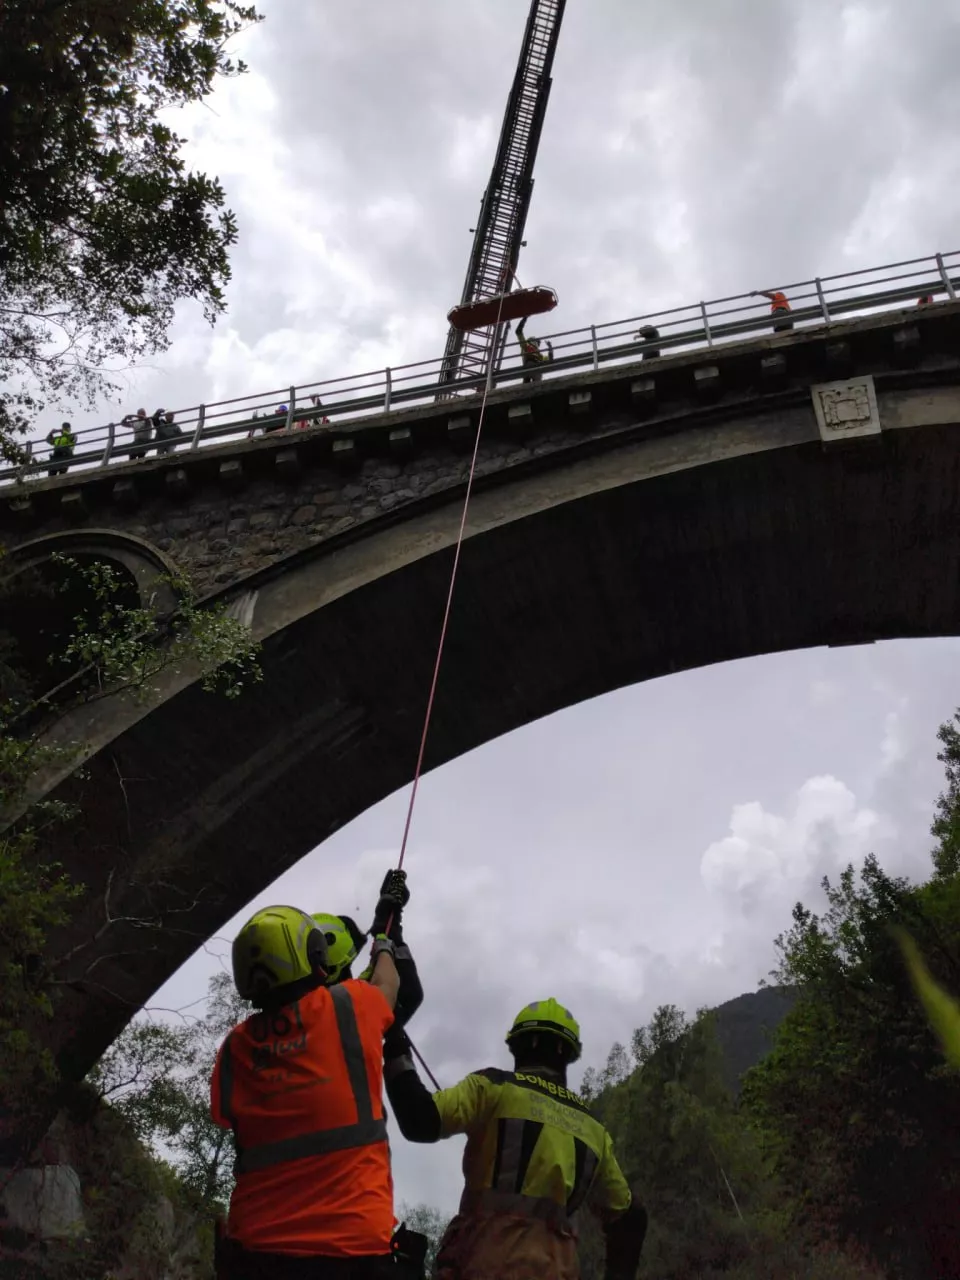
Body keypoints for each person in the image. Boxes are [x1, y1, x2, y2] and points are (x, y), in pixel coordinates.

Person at [210, 887, 410, 1280]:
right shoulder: (351, 1005)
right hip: (352, 1251)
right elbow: (389, 983)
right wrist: (384, 938)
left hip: (254, 1255)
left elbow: (226, 1117)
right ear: (315, 955)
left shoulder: (234, 1048)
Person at [383, 997, 648, 1280]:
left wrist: (397, 1048)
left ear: (520, 1045)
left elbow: (420, 1121)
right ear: (566, 1052)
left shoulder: (492, 1089)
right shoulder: (594, 1130)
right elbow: (631, 1219)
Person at [516, 318, 553, 384]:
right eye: (537, 342)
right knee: (534, 381)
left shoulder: (539, 355)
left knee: (532, 382)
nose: (537, 344)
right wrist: (524, 319)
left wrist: (550, 347)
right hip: (531, 366)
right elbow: (518, 331)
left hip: (533, 368)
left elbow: (550, 359)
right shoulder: (526, 346)